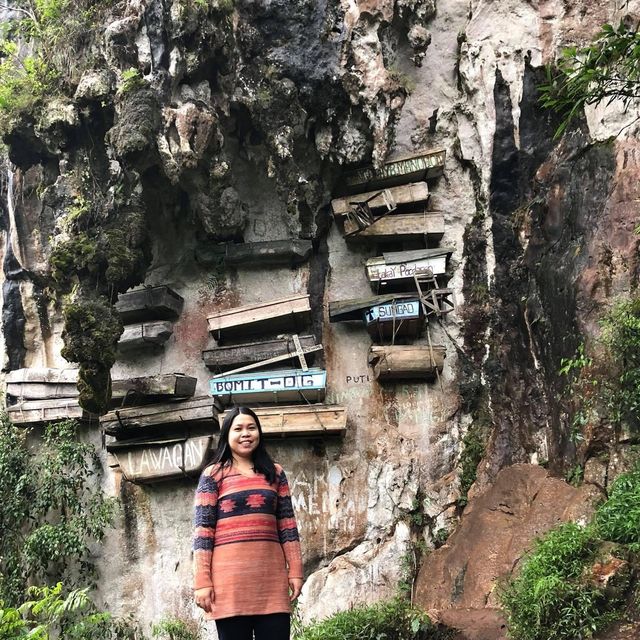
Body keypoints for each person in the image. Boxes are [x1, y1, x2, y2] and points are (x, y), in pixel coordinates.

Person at [193, 406, 303, 640]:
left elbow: (287, 526)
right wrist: (202, 581)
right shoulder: (212, 475)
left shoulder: (275, 473)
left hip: (270, 583)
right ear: (227, 435)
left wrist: (295, 571)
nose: (246, 434)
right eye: (238, 428)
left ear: (259, 433)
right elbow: (203, 533)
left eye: (251, 428)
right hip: (229, 585)